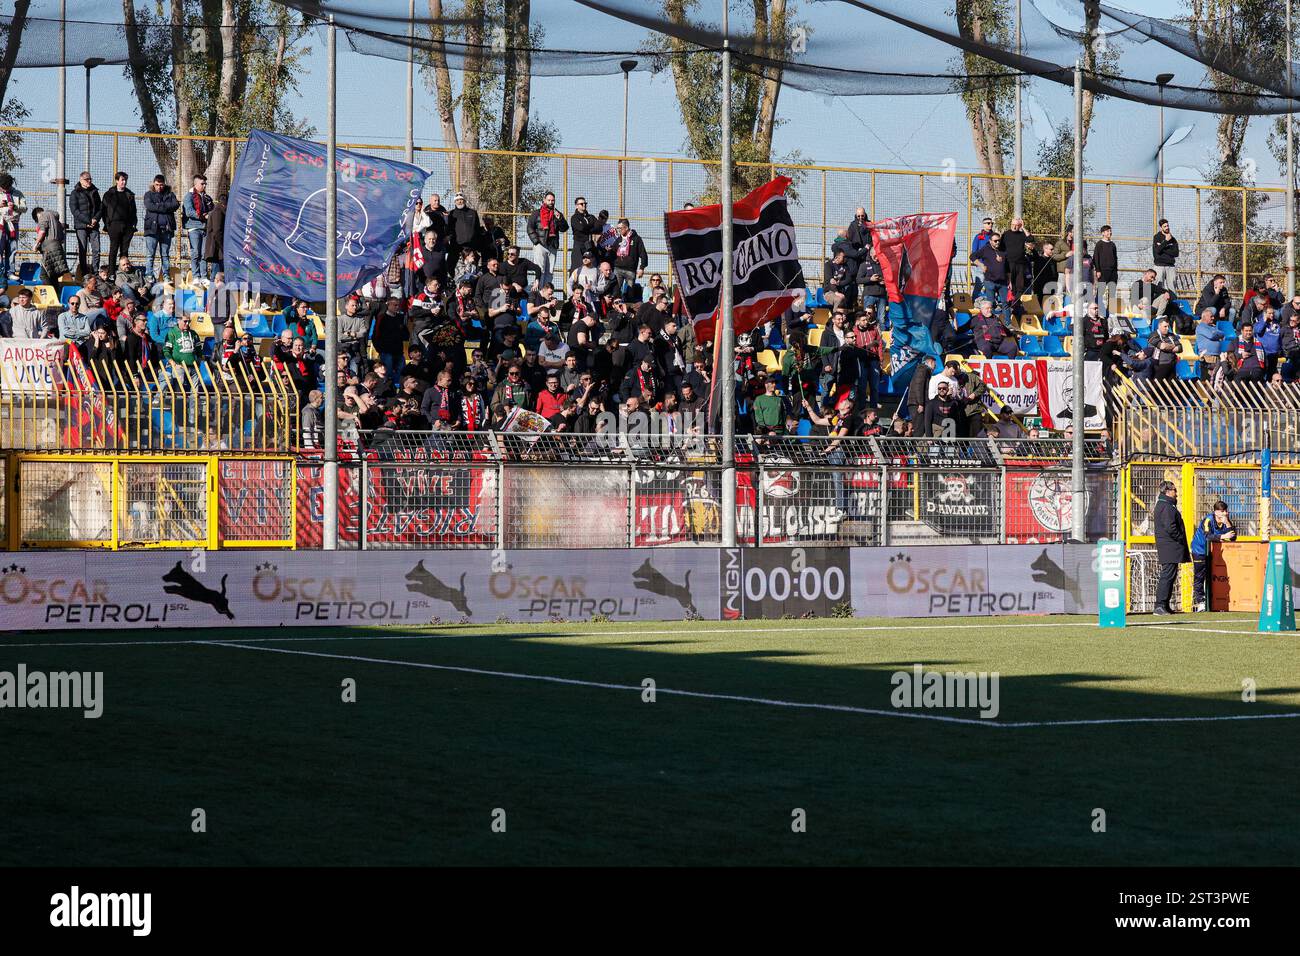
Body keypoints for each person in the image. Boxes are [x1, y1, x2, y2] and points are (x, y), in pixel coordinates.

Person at [1190, 500, 1236, 612]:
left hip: (1213, 552)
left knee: (1214, 577)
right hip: (1199, 550)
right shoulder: (1208, 520)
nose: (1225, 513)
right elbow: (1207, 536)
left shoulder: (1226, 521)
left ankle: (1214, 602)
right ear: (1216, 512)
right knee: (1200, 576)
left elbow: (1233, 537)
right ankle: (1200, 602)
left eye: (1226, 511)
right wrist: (1223, 536)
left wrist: (1228, 524)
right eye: (1222, 511)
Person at [1152, 479, 1189, 615]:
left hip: (1170, 546)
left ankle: (1165, 605)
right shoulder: (1165, 506)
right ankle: (1159, 605)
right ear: (1167, 492)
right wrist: (1180, 538)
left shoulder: (1165, 505)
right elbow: (1170, 527)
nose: (1176, 493)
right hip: (1169, 546)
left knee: (1170, 576)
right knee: (1167, 576)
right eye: (1174, 490)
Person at [525, 191, 568, 288]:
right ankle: (538, 292)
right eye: (549, 200)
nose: (551, 202)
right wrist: (536, 242)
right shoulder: (536, 213)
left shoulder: (557, 214)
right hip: (541, 245)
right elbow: (529, 228)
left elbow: (564, 228)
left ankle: (546, 293)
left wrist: (560, 219)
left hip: (552, 246)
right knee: (540, 270)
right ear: (544, 200)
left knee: (550, 271)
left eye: (553, 200)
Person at [142, 175, 180, 279]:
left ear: (164, 184)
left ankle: (166, 275)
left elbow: (176, 205)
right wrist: (165, 207)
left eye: (161, 185)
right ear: (154, 184)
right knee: (150, 255)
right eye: (157, 185)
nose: (159, 187)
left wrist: (158, 206)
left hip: (166, 229)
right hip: (152, 229)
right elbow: (149, 206)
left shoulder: (170, 194)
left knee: (165, 255)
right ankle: (149, 275)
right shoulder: (148, 194)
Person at [101, 172, 137, 276]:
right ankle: (112, 272)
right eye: (122, 180)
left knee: (124, 250)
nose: (124, 182)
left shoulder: (129, 194)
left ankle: (123, 272)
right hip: (114, 225)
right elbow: (103, 210)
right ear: (117, 180)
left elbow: (134, 211)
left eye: (125, 180)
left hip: (127, 226)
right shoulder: (109, 194)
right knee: (113, 249)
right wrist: (108, 224)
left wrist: (133, 224)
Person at [69, 171, 103, 277]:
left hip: (94, 225)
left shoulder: (94, 191)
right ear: (81, 180)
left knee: (96, 249)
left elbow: (100, 208)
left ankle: (95, 271)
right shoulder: (75, 193)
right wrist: (87, 221)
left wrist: (95, 219)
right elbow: (75, 210)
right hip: (81, 226)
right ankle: (84, 272)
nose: (89, 181)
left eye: (90, 179)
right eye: (86, 179)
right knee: (82, 249)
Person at [182, 174, 214, 280]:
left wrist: (210, 212)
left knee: (204, 253)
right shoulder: (189, 196)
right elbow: (189, 212)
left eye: (205, 183)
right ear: (195, 184)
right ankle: (196, 276)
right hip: (194, 228)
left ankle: (204, 277)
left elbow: (211, 210)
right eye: (202, 183)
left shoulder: (206, 197)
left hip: (205, 228)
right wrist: (203, 216)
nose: (204, 185)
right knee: (195, 252)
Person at [1092, 224, 1119, 319]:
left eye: (1110, 231)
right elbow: (1095, 258)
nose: (1110, 233)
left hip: (1112, 273)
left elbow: (1115, 258)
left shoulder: (1112, 244)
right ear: (1103, 233)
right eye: (1107, 231)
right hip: (1103, 272)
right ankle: (1097, 310)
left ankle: (1110, 312)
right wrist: (1098, 270)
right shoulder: (1099, 244)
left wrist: (1115, 272)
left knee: (1112, 293)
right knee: (1100, 292)